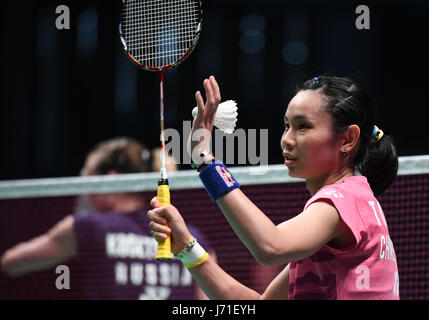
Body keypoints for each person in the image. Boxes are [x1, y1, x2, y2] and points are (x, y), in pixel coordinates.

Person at [147, 75, 400, 300]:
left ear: (347, 139)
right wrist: (187, 248)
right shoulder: (354, 205)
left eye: (303, 126)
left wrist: (205, 161)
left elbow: (270, 247)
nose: (287, 140)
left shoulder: (344, 198)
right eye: (287, 125)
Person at [0, 137, 211, 300]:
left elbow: (11, 263)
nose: (84, 188)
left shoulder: (88, 227)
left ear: (110, 181)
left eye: (87, 178)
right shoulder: (194, 239)